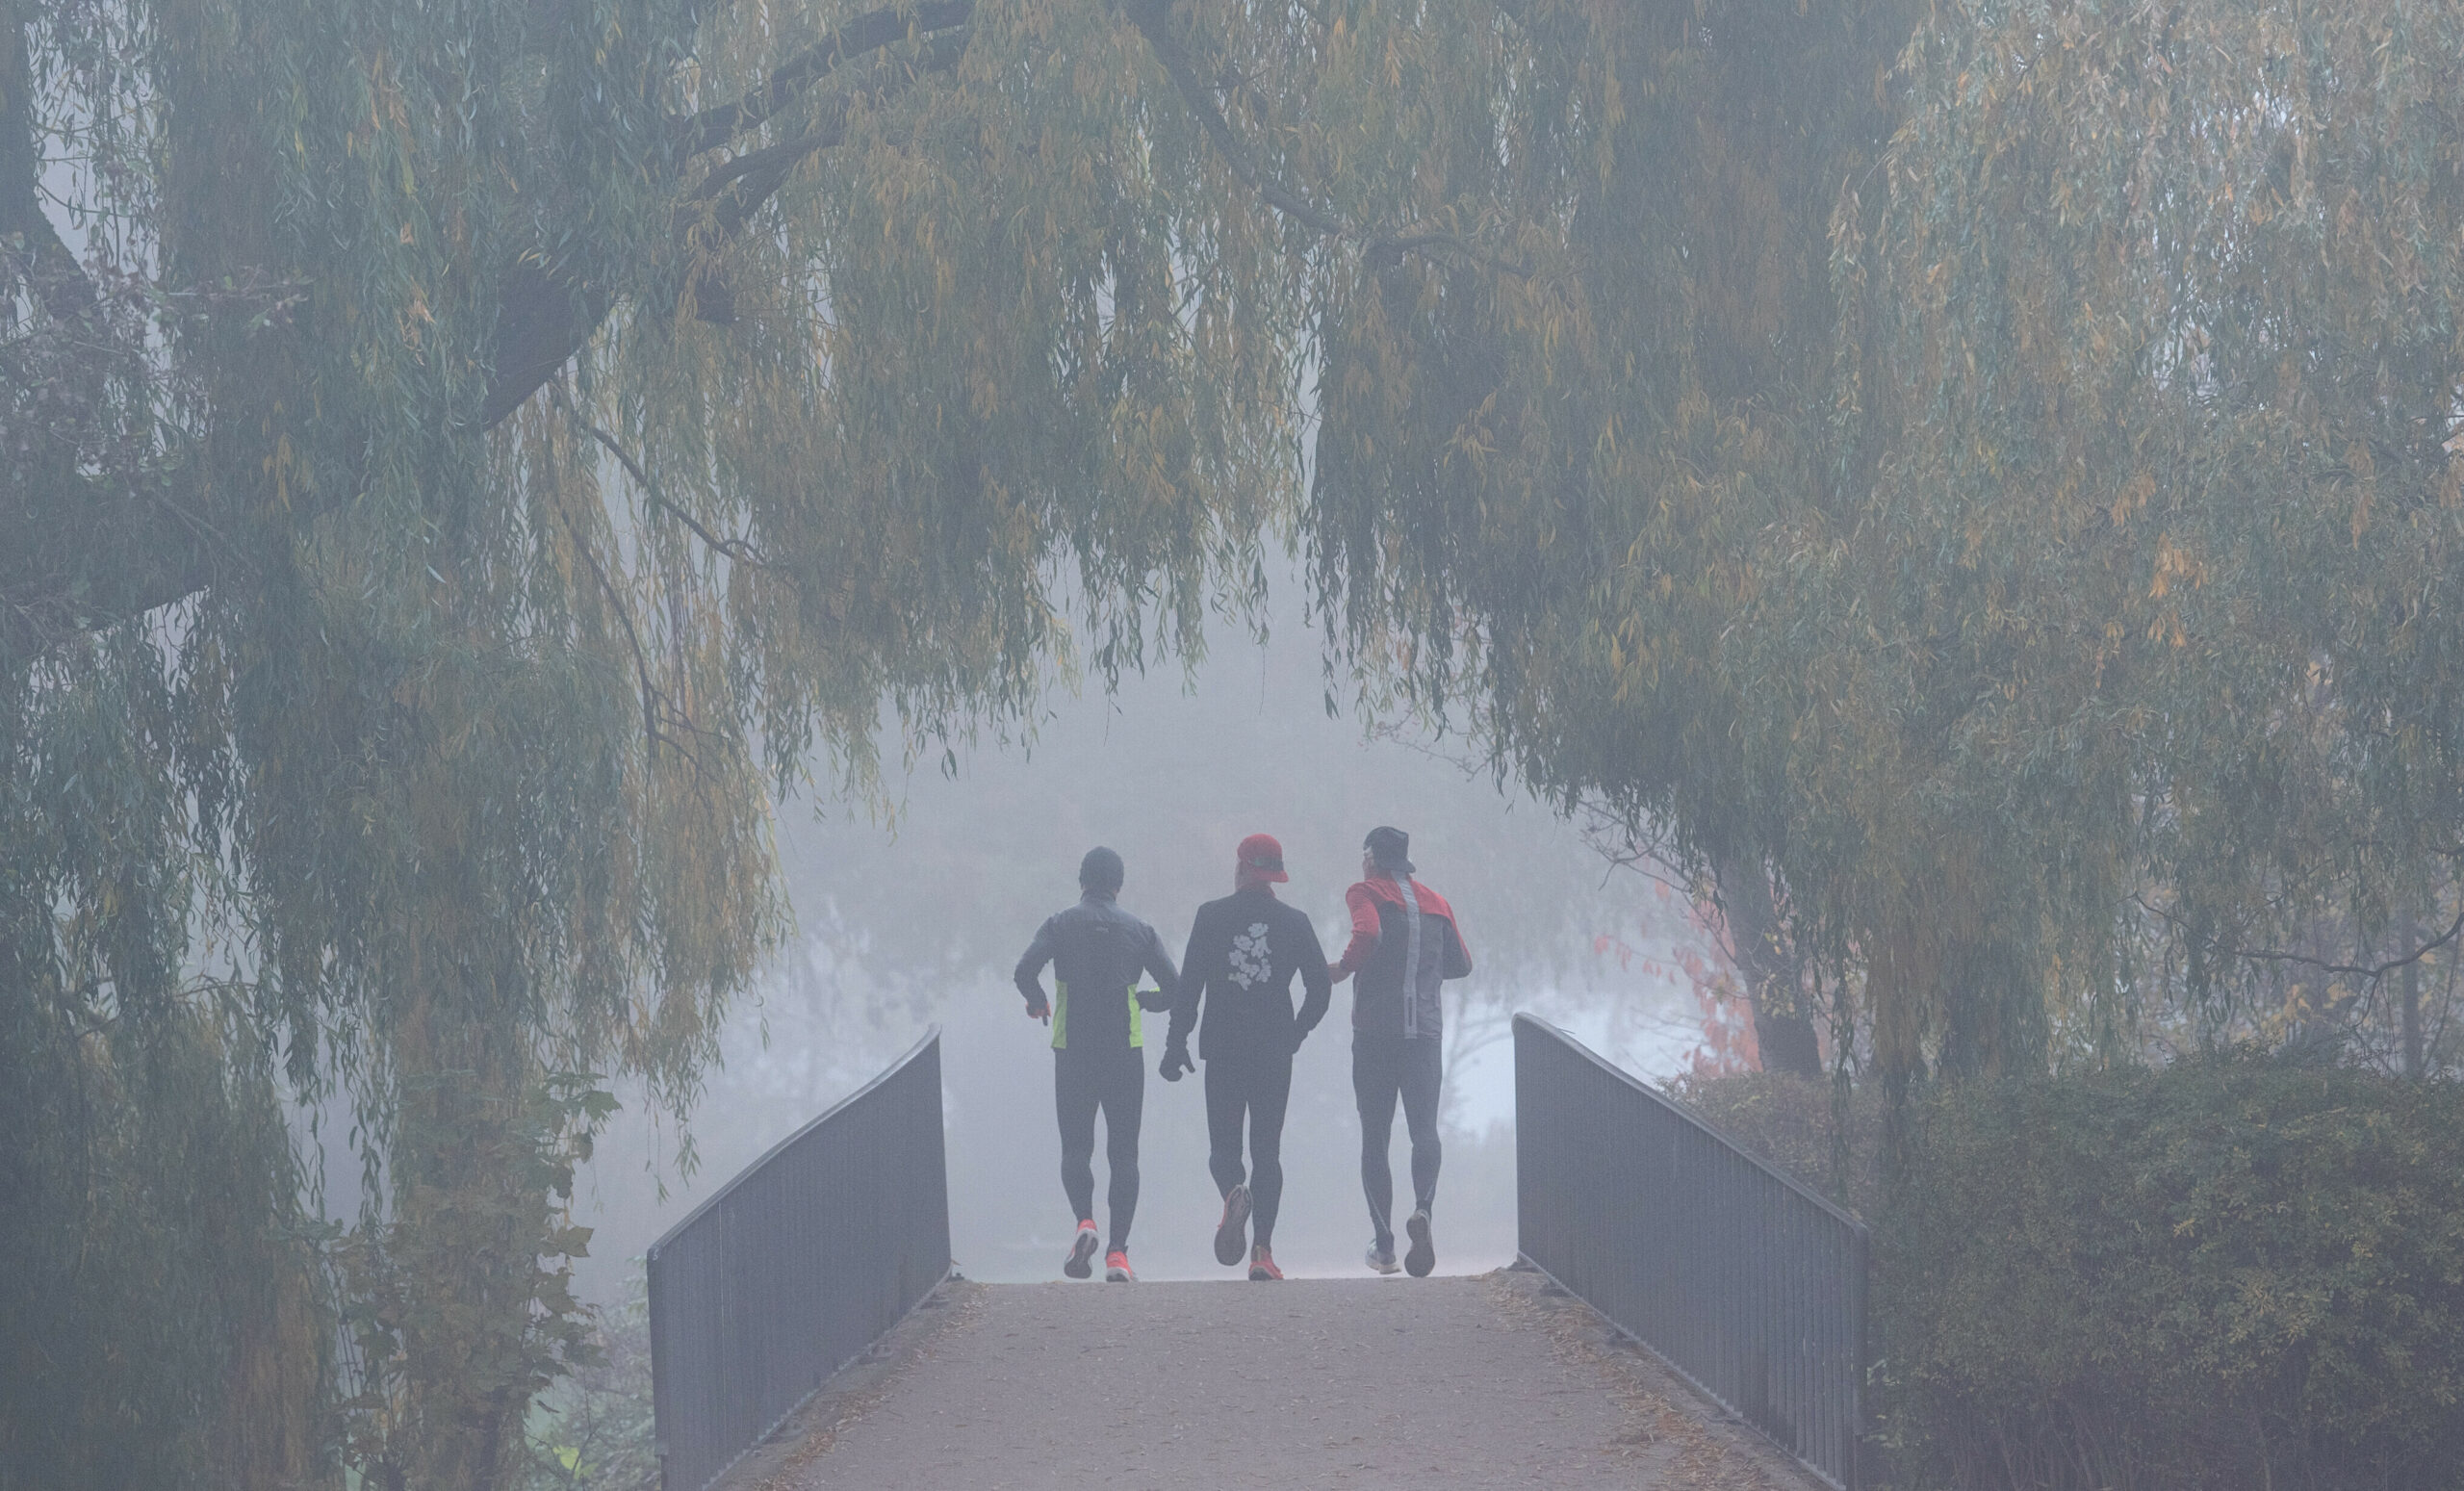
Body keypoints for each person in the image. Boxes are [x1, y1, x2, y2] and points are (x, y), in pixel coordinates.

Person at [1163, 834, 1332, 1281]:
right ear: (1276, 875)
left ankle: (1234, 1193)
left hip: (1222, 1048)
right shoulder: (1294, 922)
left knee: (1224, 1149)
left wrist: (1175, 1043)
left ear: (1240, 867)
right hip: (1274, 1049)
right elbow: (1320, 987)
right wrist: (1297, 1032)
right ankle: (1262, 1253)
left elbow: (1190, 987)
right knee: (1267, 1151)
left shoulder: (1211, 916)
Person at [1014, 846, 1179, 1282]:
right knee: (1124, 1154)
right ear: (1118, 885)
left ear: (1082, 881)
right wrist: (1147, 1000)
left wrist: (1037, 1001)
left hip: (1073, 1051)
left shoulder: (1059, 923)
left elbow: (1024, 969)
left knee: (1075, 1148)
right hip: (1125, 1052)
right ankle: (1118, 1255)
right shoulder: (1140, 931)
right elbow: (1176, 990)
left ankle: (1085, 1222)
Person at [1328, 826, 1472, 1277]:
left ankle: (1385, 1245)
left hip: (1375, 1032)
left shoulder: (1364, 891)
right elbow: (1462, 964)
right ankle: (1423, 1210)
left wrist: (1344, 967)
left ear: (1371, 857)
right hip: (1425, 1033)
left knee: (1376, 1135)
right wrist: (1423, 977)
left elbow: (1367, 934)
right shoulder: (1437, 902)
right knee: (1423, 1129)